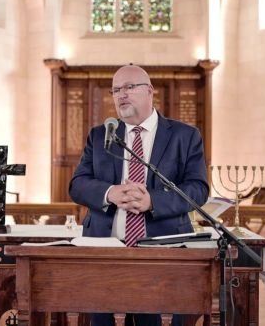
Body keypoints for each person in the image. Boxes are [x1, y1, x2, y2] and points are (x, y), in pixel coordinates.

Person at [68, 64, 209, 326]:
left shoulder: (184, 136)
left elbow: (198, 189)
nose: (121, 94)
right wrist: (110, 193)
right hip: (104, 254)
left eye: (129, 87)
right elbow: (77, 184)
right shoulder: (100, 136)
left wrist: (152, 200)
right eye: (116, 90)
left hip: (162, 257)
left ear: (150, 91)